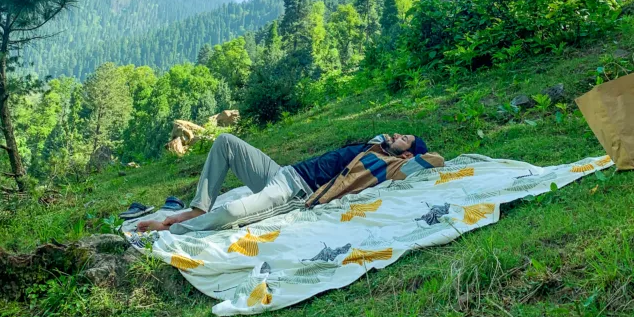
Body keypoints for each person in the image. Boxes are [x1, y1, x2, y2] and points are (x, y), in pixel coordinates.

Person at [136, 132, 443, 235]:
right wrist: (388, 142)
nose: (397, 135)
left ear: (407, 153)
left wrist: (417, 150)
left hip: (295, 191)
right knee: (226, 142)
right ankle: (197, 208)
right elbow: (382, 139)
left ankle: (170, 228)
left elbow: (434, 161)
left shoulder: (388, 166)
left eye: (405, 138)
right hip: (282, 172)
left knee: (231, 212)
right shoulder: (375, 146)